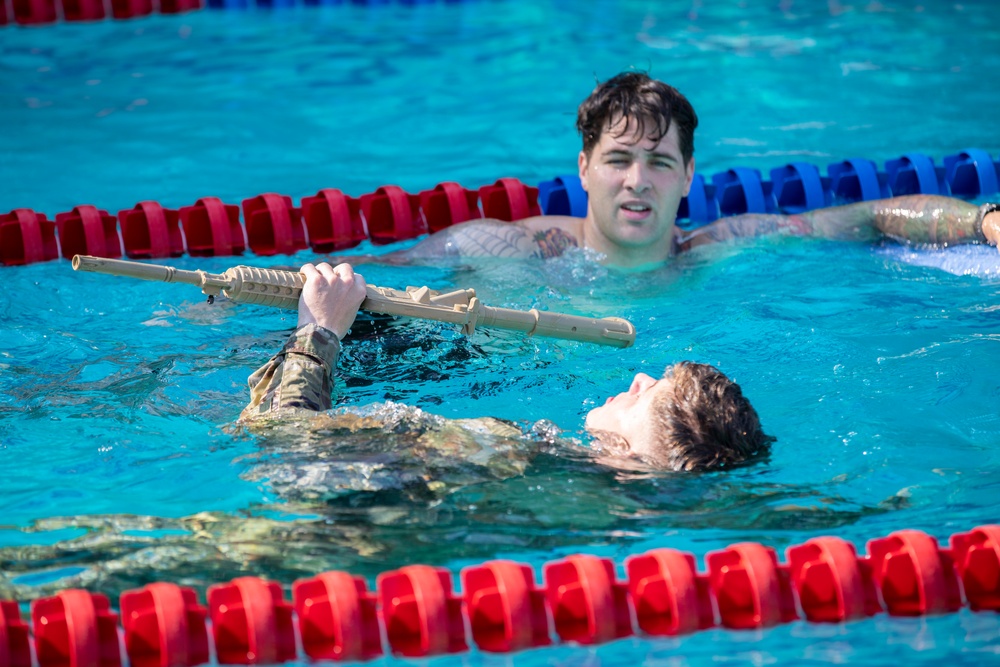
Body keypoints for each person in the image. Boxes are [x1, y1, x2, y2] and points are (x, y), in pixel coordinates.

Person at [389, 71, 999, 269]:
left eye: (658, 162)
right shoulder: (510, 247)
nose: (637, 180)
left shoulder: (716, 248)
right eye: (618, 160)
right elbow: (345, 280)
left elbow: (870, 214)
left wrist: (985, 221)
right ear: (583, 168)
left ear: (687, 175)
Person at [240, 261, 775, 472]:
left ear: (651, 451)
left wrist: (320, 331)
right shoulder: (551, 467)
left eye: (653, 390)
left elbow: (290, 454)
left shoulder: (510, 455)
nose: (639, 377)